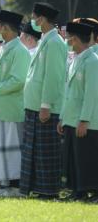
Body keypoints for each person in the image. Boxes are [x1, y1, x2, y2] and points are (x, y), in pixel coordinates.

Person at [21, 2, 68, 199]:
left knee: (46, 153)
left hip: (45, 107)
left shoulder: (55, 43)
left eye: (34, 17)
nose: (33, 21)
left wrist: (46, 104)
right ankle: (37, 188)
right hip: (34, 105)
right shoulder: (45, 40)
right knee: (35, 151)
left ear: (42, 19)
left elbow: (53, 76)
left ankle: (48, 190)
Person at [0, 10, 31, 196]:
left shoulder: (20, 51)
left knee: (11, 148)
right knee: (0, 147)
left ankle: (15, 186)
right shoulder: (5, 47)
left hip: (11, 107)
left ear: (4, 27)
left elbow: (18, 80)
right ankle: (2, 185)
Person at [58, 22, 98, 202]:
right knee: (73, 158)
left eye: (68, 37)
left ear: (74, 39)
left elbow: (91, 94)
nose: (67, 40)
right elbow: (68, 91)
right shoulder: (76, 59)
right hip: (70, 118)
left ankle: (94, 192)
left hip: (86, 121)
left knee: (87, 157)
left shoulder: (92, 61)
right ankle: (77, 191)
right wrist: (62, 117)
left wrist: (84, 120)